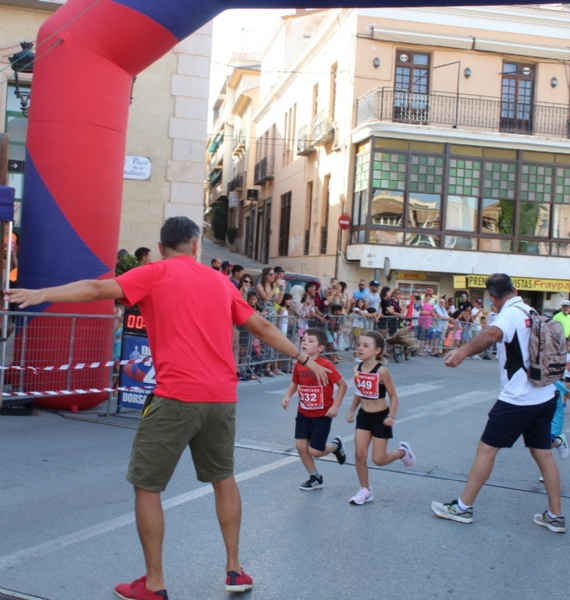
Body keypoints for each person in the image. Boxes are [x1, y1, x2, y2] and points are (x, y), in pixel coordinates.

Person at [6, 216, 330, 598]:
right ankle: (234, 570)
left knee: (147, 486)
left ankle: (155, 584)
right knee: (223, 479)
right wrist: (304, 359)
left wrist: (43, 294)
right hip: (221, 399)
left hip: (175, 396)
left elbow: (96, 288)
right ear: (196, 246)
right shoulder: (220, 281)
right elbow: (260, 327)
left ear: (161, 248)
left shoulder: (153, 273)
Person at [432, 273, 565, 533]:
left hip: (519, 399)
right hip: (545, 394)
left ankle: (462, 507)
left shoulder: (509, 314)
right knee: (543, 454)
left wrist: (461, 351)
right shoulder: (529, 308)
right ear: (514, 289)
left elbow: (492, 335)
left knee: (486, 449)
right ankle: (555, 515)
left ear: (492, 298)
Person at [346, 330, 416, 505]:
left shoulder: (382, 371)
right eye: (359, 345)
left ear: (377, 351)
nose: (360, 348)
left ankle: (403, 452)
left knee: (378, 459)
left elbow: (393, 396)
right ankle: (365, 490)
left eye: (365, 346)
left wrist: (392, 416)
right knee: (359, 454)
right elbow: (358, 391)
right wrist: (352, 410)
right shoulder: (357, 368)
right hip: (363, 416)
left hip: (381, 417)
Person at [281, 328, 348, 490]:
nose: (305, 343)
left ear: (320, 348)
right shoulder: (299, 364)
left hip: (322, 414)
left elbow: (342, 385)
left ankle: (336, 446)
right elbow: (295, 382)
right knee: (300, 446)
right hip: (303, 412)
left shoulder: (326, 365)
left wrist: (335, 405)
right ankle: (315, 477)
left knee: (315, 451)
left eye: (311, 341)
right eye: (304, 339)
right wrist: (288, 395)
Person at [256, 267, 285, 377]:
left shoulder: (273, 286)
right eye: (271, 274)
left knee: (271, 340)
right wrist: (276, 287)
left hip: (272, 314)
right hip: (264, 314)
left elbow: (278, 301)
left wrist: (282, 289)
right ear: (265, 275)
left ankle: (268, 367)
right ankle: (260, 366)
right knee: (262, 341)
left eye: (273, 274)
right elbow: (266, 298)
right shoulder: (260, 286)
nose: (273, 276)